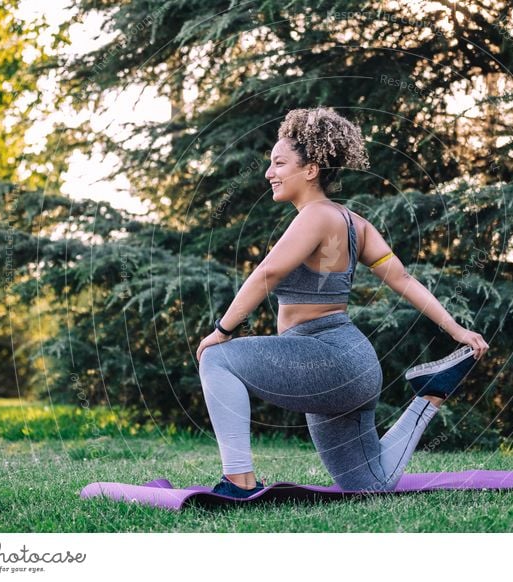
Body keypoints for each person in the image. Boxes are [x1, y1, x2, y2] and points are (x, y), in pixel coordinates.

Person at [196, 106, 489, 498]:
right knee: (371, 485)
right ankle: (430, 395)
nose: (269, 173)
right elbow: (402, 279)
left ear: (312, 169)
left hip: (324, 356)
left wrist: (222, 331)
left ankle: (238, 482)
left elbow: (267, 274)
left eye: (279, 163)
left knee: (216, 358)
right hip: (352, 367)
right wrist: (456, 329)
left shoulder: (315, 215)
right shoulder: (357, 224)